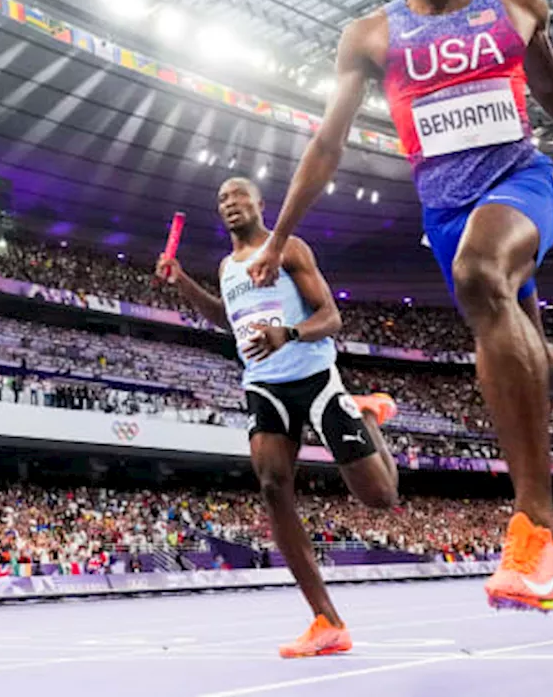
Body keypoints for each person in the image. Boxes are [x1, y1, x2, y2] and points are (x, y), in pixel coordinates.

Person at [246, 0, 553, 613]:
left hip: (521, 181)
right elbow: (327, 143)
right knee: (526, 345)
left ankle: (537, 531)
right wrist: (279, 236)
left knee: (481, 276)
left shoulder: (518, 5)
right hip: (446, 211)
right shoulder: (372, 35)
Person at [157, 176, 400, 658]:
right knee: (271, 486)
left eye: (238, 195)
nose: (229, 202)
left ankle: (368, 416)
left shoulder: (288, 249)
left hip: (313, 376)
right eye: (221, 197)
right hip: (264, 385)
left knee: (379, 498)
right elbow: (227, 321)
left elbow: (330, 317)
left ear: (260, 204)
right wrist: (182, 282)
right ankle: (326, 620)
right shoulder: (228, 267)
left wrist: (286, 333)